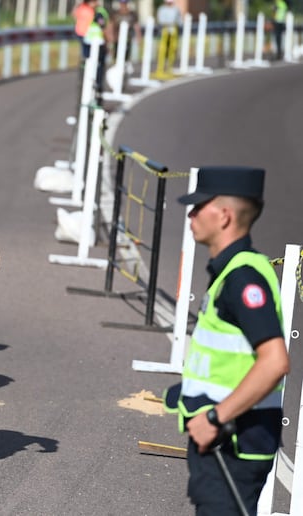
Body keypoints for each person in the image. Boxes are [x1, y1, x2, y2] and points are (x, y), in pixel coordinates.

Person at [164, 167, 289, 514]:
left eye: (198, 206)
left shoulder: (243, 278)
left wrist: (216, 417)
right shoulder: (229, 271)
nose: (190, 214)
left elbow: (276, 361)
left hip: (233, 440)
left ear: (224, 215)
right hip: (226, 439)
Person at [155, 0, 182, 78]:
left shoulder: (176, 9)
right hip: (164, 31)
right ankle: (160, 68)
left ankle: (169, 67)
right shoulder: (162, 9)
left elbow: (179, 21)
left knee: (172, 49)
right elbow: (161, 20)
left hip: (173, 31)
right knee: (162, 50)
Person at [111, 0, 141, 70]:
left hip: (127, 39)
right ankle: (117, 70)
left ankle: (124, 71)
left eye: (124, 3)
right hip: (116, 39)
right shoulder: (115, 14)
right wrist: (111, 38)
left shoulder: (132, 14)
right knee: (116, 56)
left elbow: (136, 26)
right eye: (122, 3)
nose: (123, 5)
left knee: (126, 57)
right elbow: (111, 25)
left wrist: (138, 37)